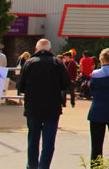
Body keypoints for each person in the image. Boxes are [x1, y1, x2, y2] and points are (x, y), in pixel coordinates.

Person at [17, 39, 70, 169]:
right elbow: (66, 84)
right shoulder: (57, 63)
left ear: (36, 49)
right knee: (49, 141)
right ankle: (44, 166)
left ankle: (32, 165)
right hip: (52, 107)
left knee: (33, 139)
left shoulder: (29, 63)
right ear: (50, 50)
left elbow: (20, 86)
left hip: (32, 107)